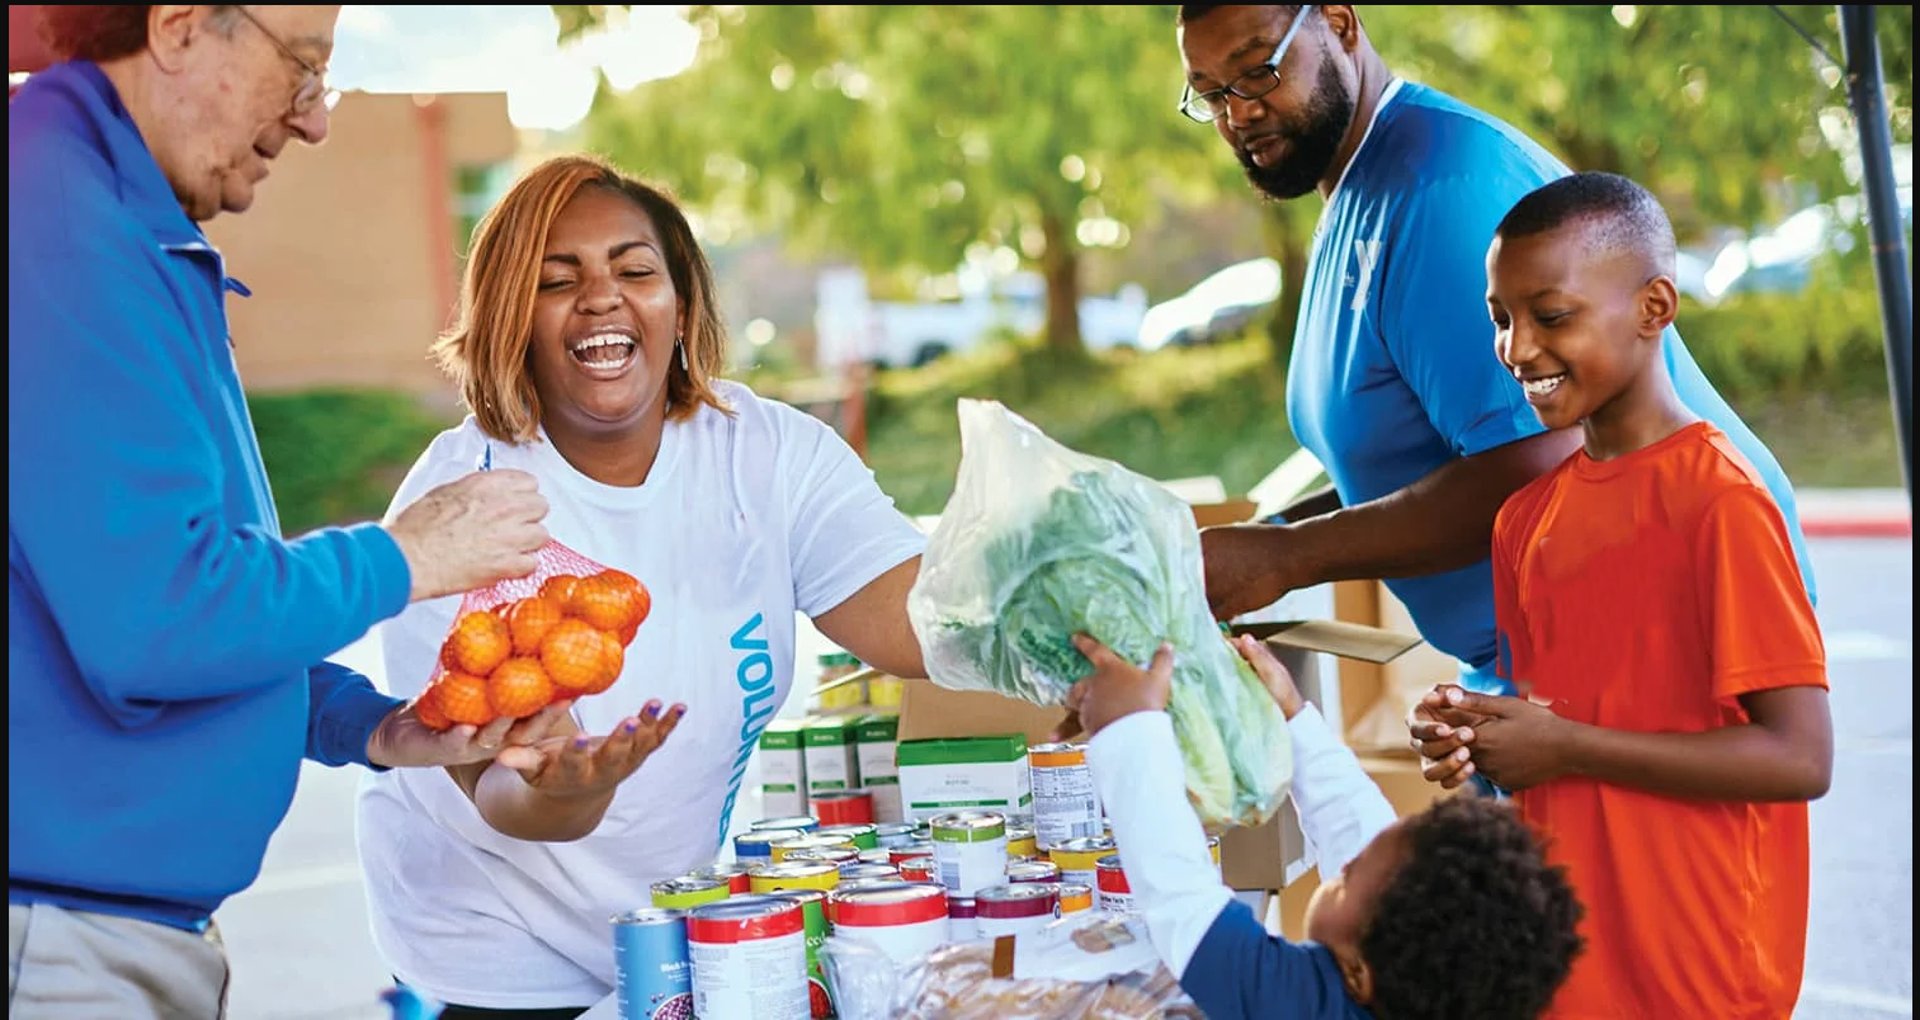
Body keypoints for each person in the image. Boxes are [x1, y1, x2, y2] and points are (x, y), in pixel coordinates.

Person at [8, 7, 561, 1018]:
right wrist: (406, 555)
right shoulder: (51, 210)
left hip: (107, 934)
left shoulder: (118, 222)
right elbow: (159, 621)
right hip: (55, 943)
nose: (311, 123)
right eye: (303, 71)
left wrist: (382, 727)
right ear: (180, 27)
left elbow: (189, 594)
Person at [355, 153, 929, 1018]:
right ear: (512, 320)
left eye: (635, 270)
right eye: (558, 280)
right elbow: (496, 787)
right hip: (498, 959)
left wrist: (1095, 589)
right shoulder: (467, 504)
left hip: (676, 927)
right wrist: (567, 792)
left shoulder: (765, 452)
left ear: (683, 306)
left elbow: (915, 619)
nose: (602, 297)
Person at [1175, 5, 1816, 701]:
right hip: (1533, 676)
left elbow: (1544, 455)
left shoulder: (1441, 186)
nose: (1237, 113)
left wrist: (1289, 556)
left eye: (1258, 70)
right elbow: (1406, 463)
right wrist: (1264, 539)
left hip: (1643, 660)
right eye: (1210, 92)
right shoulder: (1360, 189)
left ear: (1339, 23)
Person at [1412, 172, 1833, 1017]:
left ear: (1655, 308)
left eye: (1551, 315)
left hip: (1699, 977)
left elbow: (1799, 757)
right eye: (1501, 318)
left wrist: (1565, 746)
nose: (1517, 348)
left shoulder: (1720, 502)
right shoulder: (1525, 520)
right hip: (1565, 970)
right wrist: (1476, 734)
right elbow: (1557, 725)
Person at [1061, 632, 1583, 1019]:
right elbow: (1358, 829)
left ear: (1358, 973)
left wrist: (1129, 727)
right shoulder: (1402, 986)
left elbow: (1180, 897)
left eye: (1346, 877)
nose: (1345, 863)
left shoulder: (1308, 1007)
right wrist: (1291, 715)